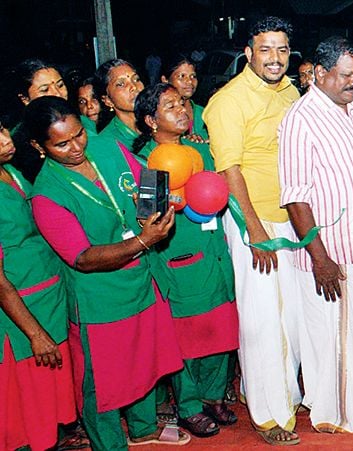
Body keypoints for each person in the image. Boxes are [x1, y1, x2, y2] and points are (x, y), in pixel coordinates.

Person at [26, 96, 188, 448]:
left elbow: (146, 179)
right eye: (62, 144)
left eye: (79, 135)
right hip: (99, 298)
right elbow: (82, 258)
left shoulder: (105, 147)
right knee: (102, 384)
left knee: (144, 361)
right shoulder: (47, 195)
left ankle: (144, 429)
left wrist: (154, 211)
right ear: (39, 147)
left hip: (140, 279)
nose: (76, 148)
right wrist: (143, 241)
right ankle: (110, 444)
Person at [202, 16, 303, 445]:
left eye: (282, 49)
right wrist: (254, 230)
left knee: (290, 318)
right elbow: (229, 170)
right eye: (265, 49)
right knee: (262, 319)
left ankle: (283, 394)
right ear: (248, 53)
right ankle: (269, 415)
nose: (275, 58)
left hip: (292, 218)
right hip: (254, 221)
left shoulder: (291, 92)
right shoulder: (229, 101)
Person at [278, 36, 353, 433]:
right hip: (331, 253)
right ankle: (335, 415)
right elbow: (295, 198)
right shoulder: (301, 119)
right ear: (320, 73)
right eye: (346, 75)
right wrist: (319, 257)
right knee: (334, 338)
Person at [131, 83, 240, 437]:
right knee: (189, 339)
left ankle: (213, 396)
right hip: (179, 257)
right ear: (150, 120)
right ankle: (189, 405)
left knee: (222, 331)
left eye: (182, 103)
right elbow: (147, 219)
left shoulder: (201, 150)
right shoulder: (148, 162)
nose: (181, 110)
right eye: (170, 106)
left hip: (216, 254)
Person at [0, 116, 79, 451]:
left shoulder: (11, 171)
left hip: (47, 296)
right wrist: (34, 333)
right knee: (29, 396)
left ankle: (53, 440)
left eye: (1, 129)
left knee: (50, 387)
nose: (5, 139)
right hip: (20, 309)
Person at [7, 59, 72, 182]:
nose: (58, 94)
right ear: (25, 99)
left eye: (60, 85)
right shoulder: (18, 145)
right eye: (45, 90)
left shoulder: (84, 122)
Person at [94, 59, 145, 149]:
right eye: (121, 84)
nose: (133, 87)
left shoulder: (160, 122)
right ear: (108, 100)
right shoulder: (106, 143)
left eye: (136, 79)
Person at [160, 54, 208, 141]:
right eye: (182, 76)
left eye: (193, 76)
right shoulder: (160, 114)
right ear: (165, 80)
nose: (189, 81)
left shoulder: (204, 113)